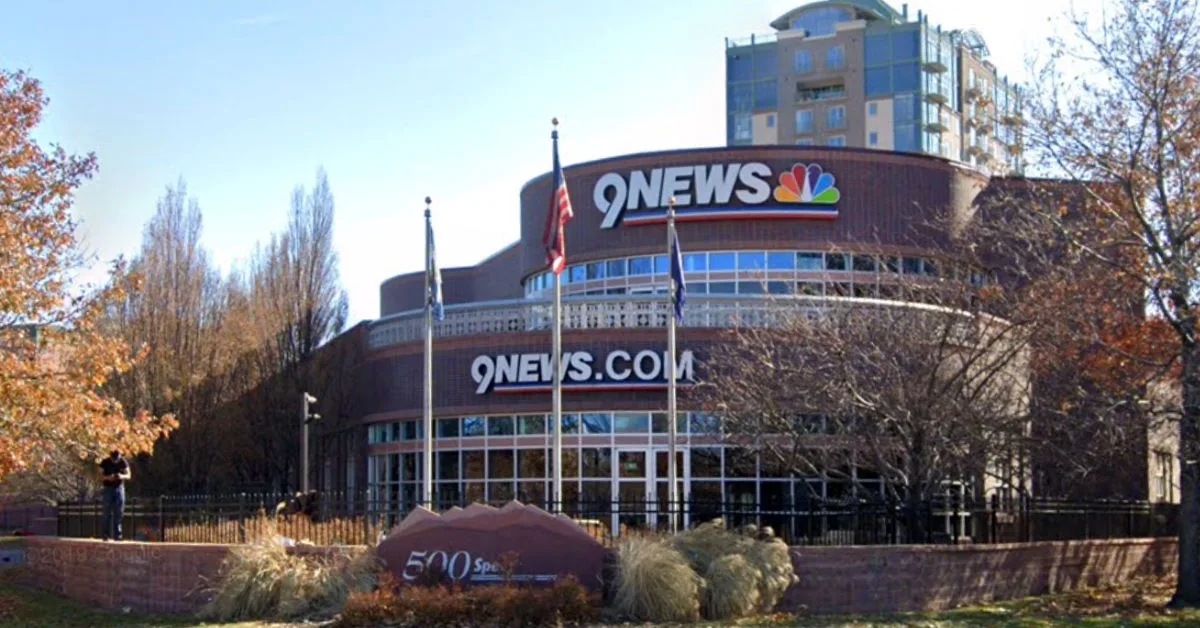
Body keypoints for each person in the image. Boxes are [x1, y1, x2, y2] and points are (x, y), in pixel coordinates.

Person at [99, 450, 131, 541]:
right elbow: (100, 475)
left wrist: (121, 476)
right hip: (108, 488)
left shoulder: (123, 462)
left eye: (117, 459)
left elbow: (129, 475)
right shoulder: (105, 462)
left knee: (119, 511)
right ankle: (105, 534)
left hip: (119, 488)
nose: (115, 461)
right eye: (114, 459)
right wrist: (108, 478)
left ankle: (118, 535)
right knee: (106, 511)